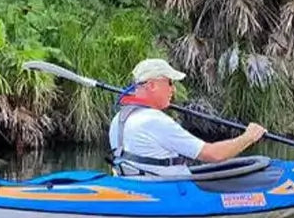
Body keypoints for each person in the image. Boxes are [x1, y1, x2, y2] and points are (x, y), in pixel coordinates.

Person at [108, 58, 266, 176]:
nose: (173, 89)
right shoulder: (155, 121)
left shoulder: (119, 119)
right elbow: (213, 155)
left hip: (136, 185)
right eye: (170, 83)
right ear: (151, 85)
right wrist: (248, 137)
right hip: (169, 192)